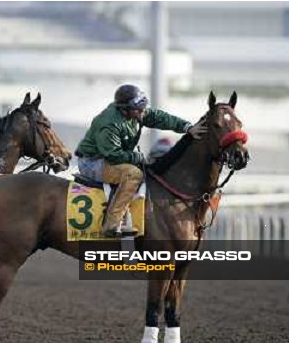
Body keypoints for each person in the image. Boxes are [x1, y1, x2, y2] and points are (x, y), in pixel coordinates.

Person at [75, 84, 207, 237]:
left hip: (110, 158)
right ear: (124, 110)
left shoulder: (135, 113)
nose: (143, 111)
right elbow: (113, 155)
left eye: (143, 106)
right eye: (138, 109)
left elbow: (160, 118)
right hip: (92, 162)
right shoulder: (108, 123)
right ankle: (112, 223)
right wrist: (137, 157)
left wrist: (187, 128)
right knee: (133, 174)